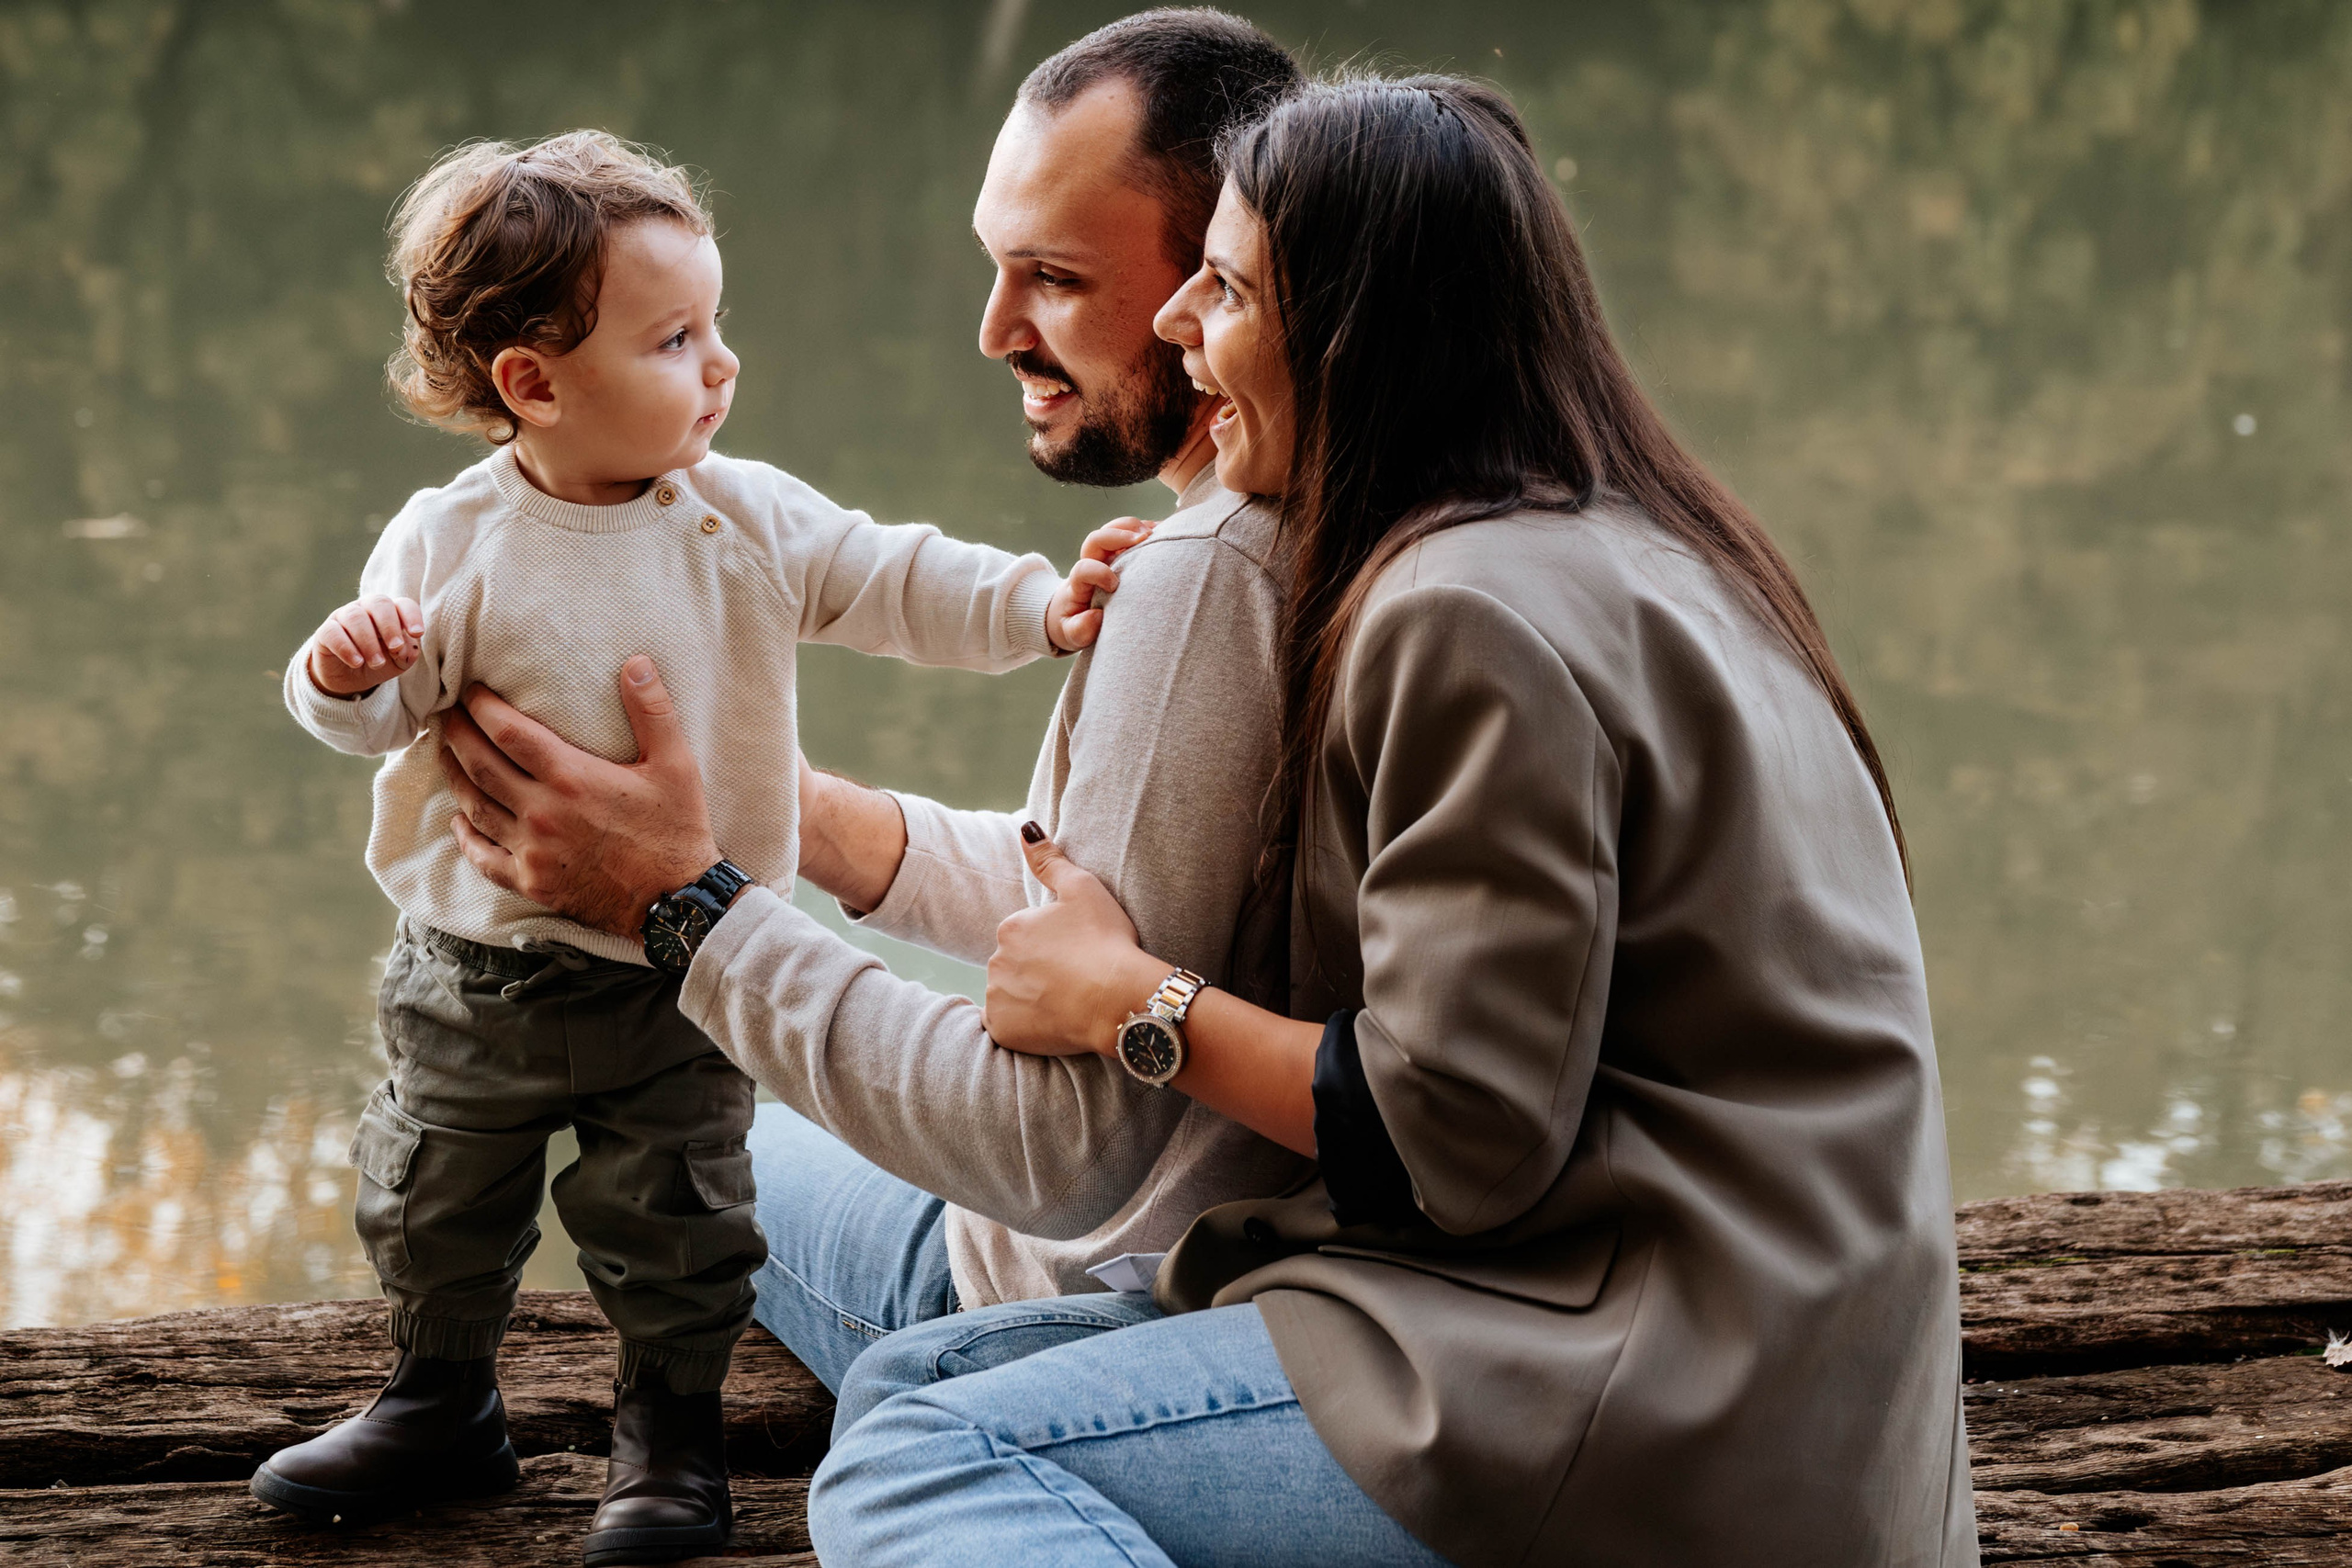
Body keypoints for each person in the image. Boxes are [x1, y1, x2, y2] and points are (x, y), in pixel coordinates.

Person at [820, 74, 1981, 1566]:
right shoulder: (1653, 544)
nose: (1180, 325)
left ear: (1354, 334)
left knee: (915, 1457)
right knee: (919, 1377)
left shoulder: (1464, 614)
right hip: (1786, 1384)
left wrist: (1135, 1004)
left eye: (1225, 288)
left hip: (1653, 1413)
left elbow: (1461, 1138)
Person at [254, 130, 1122, 1564]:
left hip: (684, 974)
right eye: (673, 340)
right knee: (430, 1193)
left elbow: (897, 576)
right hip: (480, 969)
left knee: (681, 1218)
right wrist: (343, 674)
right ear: (532, 383)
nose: (720, 366)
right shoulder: (448, 540)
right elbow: (373, 714)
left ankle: (669, 1438)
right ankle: (440, 1396)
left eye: (716, 327)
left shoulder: (743, 516)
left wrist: (1044, 608)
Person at [433, 5, 1314, 1403]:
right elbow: (1143, 901)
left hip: (1082, 1300)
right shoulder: (1325, 532)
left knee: (703, 1145)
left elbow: (1054, 1151)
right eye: (995, 266)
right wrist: (803, 823)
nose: (993, 332)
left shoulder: (1203, 578)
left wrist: (684, 902)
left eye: (1056, 277)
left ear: (1218, 274)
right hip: (1225, 1257)